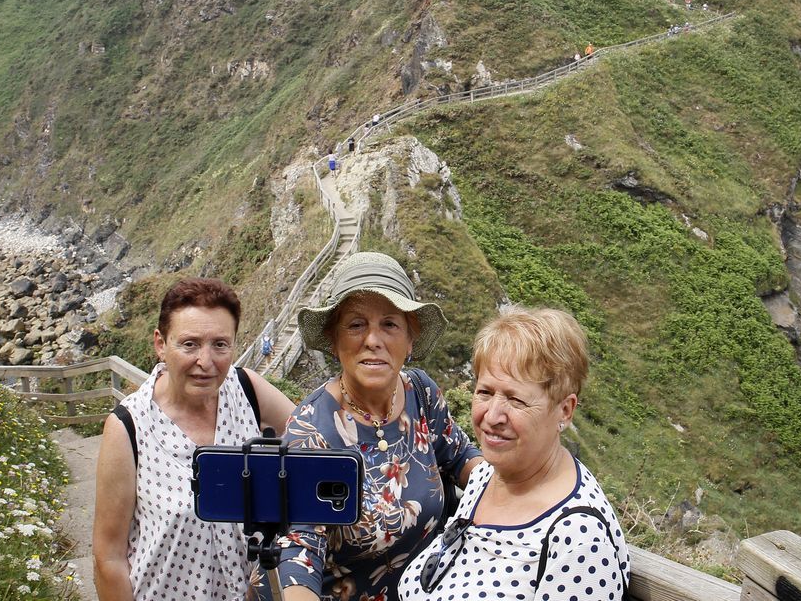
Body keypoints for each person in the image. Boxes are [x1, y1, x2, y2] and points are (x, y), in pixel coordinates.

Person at [252, 252, 483, 601]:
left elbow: (462, 456)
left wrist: (525, 490)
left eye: (390, 324)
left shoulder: (420, 391)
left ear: (409, 339)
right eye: (356, 324)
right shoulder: (311, 433)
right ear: (334, 340)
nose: (373, 340)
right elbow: (300, 548)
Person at [397, 307, 632, 600]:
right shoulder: (487, 477)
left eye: (516, 399)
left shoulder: (579, 539)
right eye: (484, 392)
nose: (493, 415)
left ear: (565, 410)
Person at [93, 278, 296, 601]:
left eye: (220, 344)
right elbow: (109, 558)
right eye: (189, 344)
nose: (206, 361)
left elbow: (316, 439)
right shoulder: (128, 426)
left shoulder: (247, 390)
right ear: (161, 344)